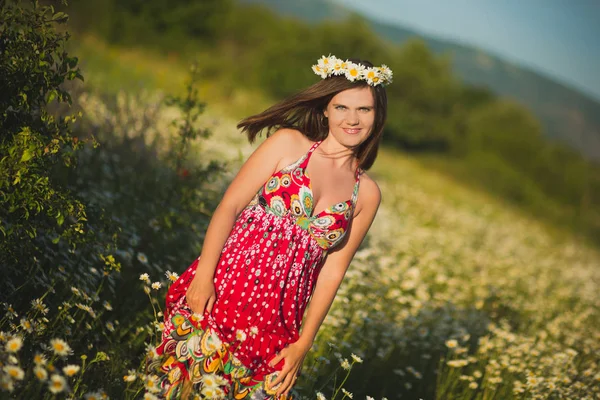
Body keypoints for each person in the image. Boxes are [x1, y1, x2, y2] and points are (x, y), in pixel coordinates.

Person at [147, 55, 392, 399]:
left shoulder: (366, 192)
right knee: (182, 390)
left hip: (280, 319)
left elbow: (334, 270)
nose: (352, 119)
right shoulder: (289, 144)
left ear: (377, 115)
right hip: (224, 290)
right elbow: (229, 206)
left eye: (364, 110)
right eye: (342, 107)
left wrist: (304, 344)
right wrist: (204, 277)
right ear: (325, 109)